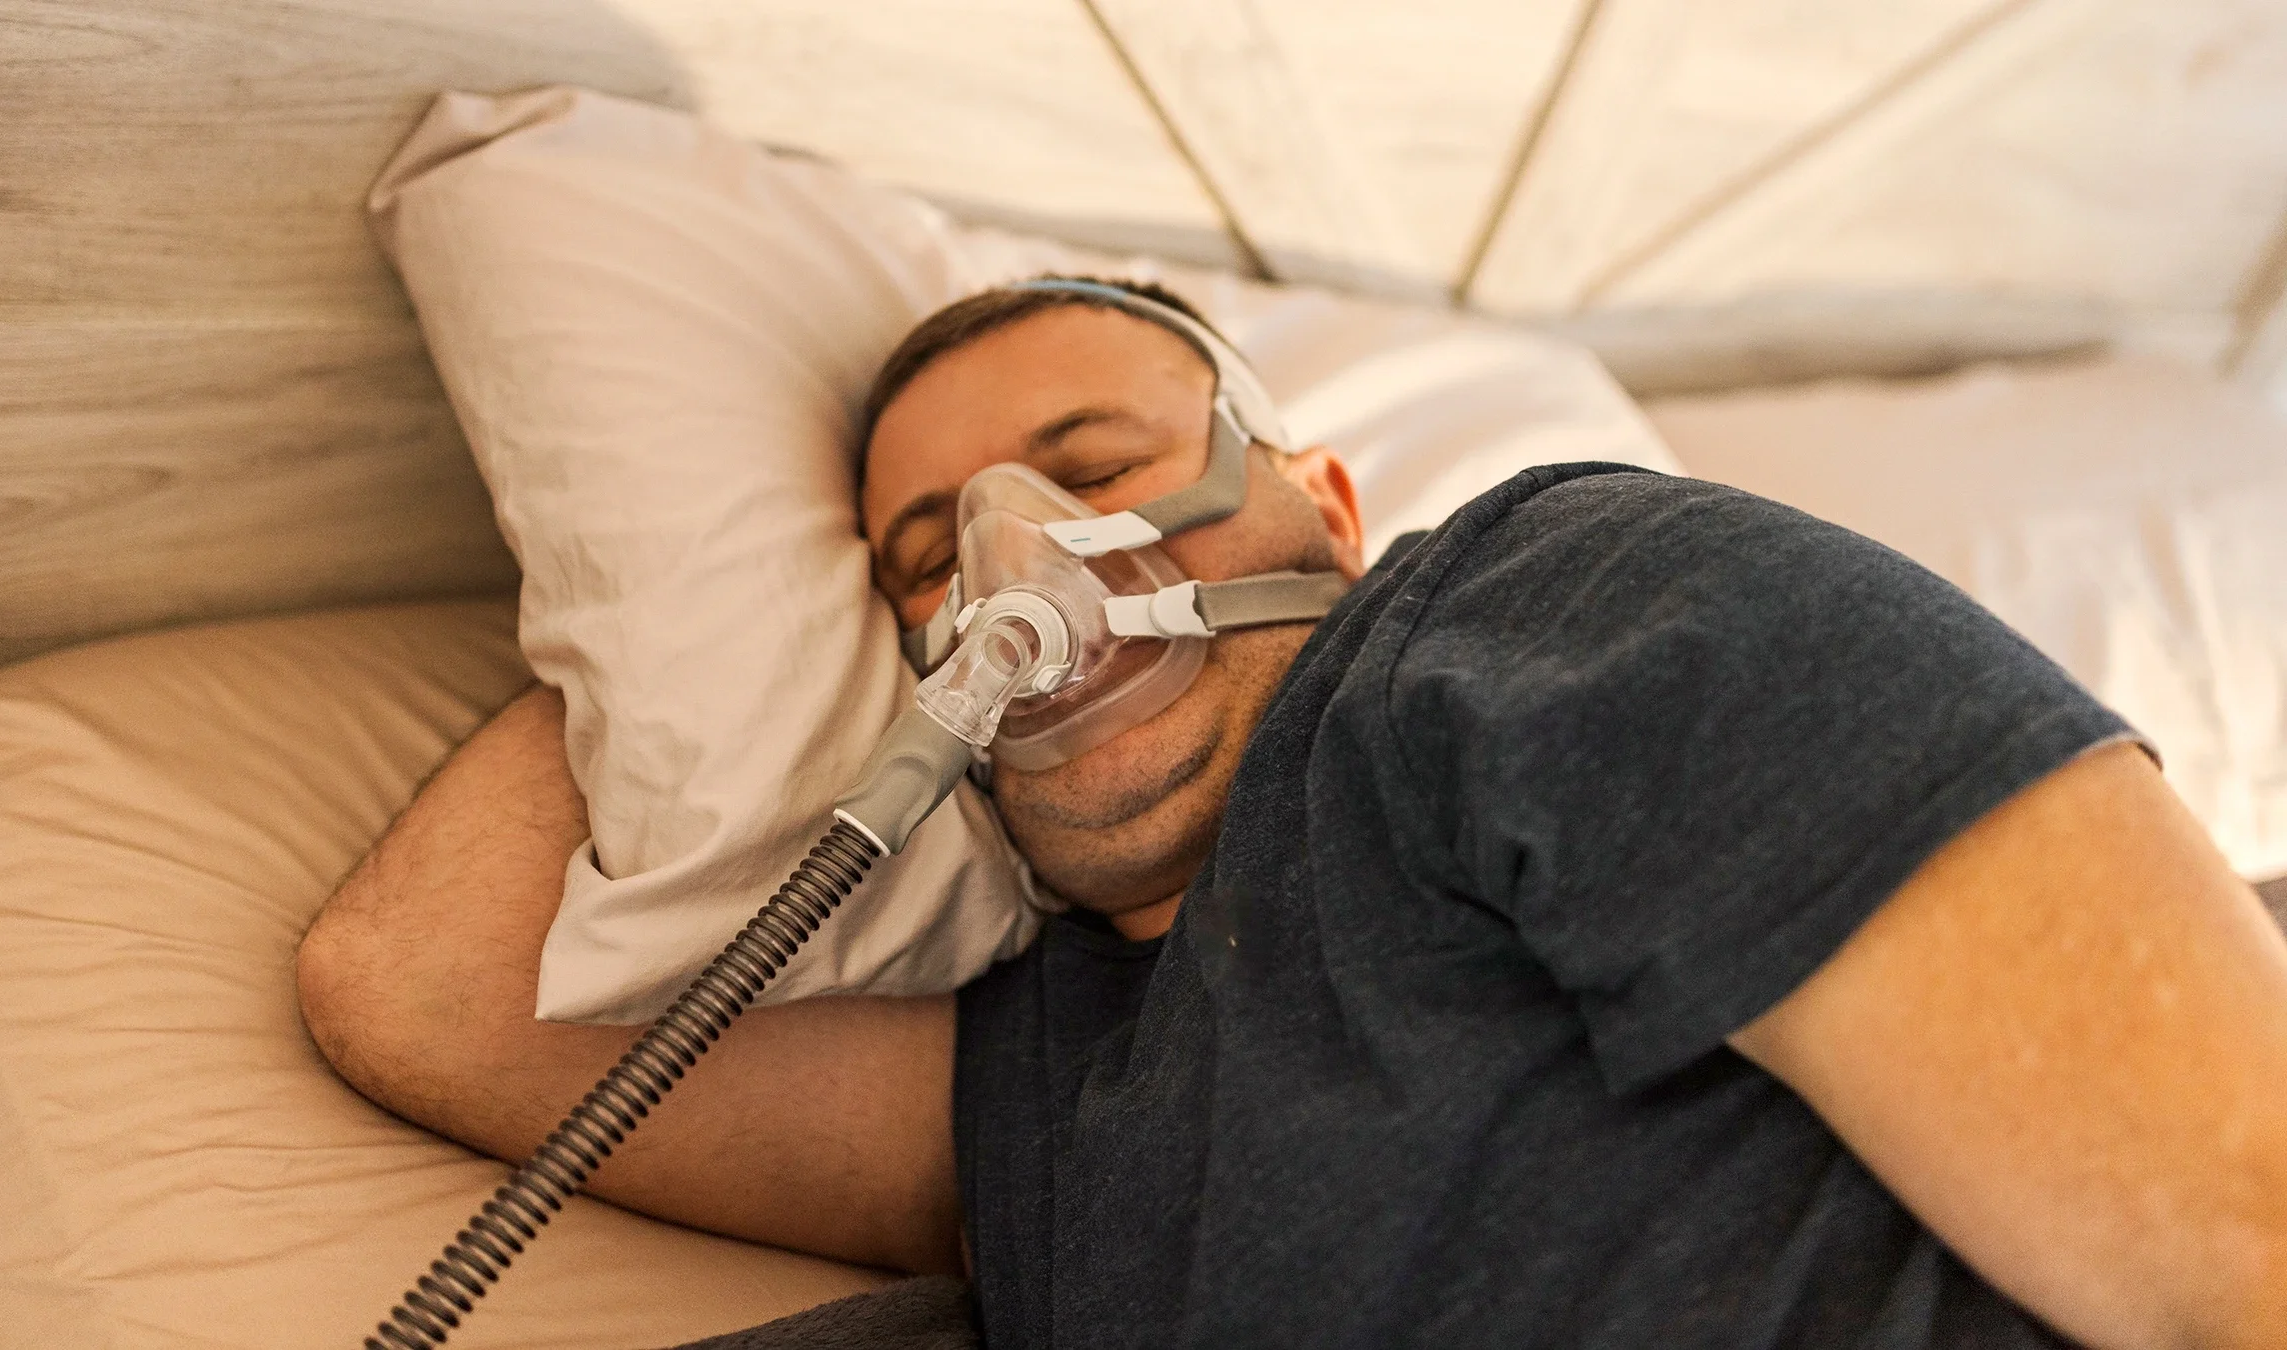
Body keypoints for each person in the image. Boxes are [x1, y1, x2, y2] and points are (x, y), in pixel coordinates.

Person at [298, 278, 2287, 1348]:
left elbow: (2243, 1229)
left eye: (1089, 460)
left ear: (1317, 506)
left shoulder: (1548, 616)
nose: (1020, 559)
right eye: (925, 557)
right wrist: (679, 596)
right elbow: (425, 989)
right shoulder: (1039, 1086)